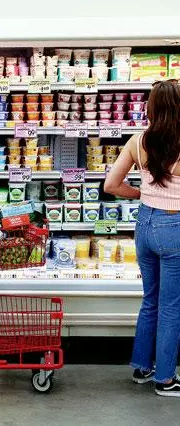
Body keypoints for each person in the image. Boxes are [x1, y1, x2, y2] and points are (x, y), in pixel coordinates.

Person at [104, 79, 180, 397]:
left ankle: (142, 368)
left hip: (145, 224)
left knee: (150, 299)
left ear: (151, 108)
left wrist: (142, 193)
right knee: (172, 306)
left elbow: (111, 185)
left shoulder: (138, 141)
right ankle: (165, 379)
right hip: (174, 227)